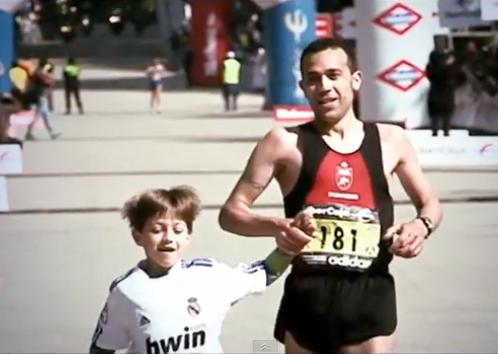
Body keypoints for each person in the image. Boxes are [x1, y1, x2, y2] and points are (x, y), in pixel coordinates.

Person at [218, 37, 443, 354]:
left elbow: (430, 203)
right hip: (308, 299)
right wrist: (278, 226)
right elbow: (230, 213)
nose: (323, 86)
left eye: (333, 75)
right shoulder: (283, 142)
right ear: (303, 86)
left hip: (371, 295)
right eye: (313, 78)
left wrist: (421, 226)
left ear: (355, 79)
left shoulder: (391, 139)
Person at [89, 186, 310, 354]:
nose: (168, 238)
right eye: (157, 230)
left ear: (188, 236)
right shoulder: (127, 291)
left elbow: (265, 271)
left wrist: (290, 246)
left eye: (177, 230)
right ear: (138, 236)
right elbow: (102, 348)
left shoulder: (209, 276)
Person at [24, 58, 61, 141]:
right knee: (38, 116)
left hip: (41, 95)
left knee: (45, 115)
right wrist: (51, 79)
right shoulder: (39, 72)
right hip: (40, 95)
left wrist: (50, 78)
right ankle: (29, 133)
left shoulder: (39, 72)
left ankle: (52, 133)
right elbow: (46, 82)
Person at [426, 49, 457, 136]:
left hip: (434, 92)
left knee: (435, 115)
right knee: (446, 116)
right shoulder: (448, 67)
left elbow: (430, 76)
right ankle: (446, 132)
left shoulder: (430, 66)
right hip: (447, 93)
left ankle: (435, 132)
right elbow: (453, 76)